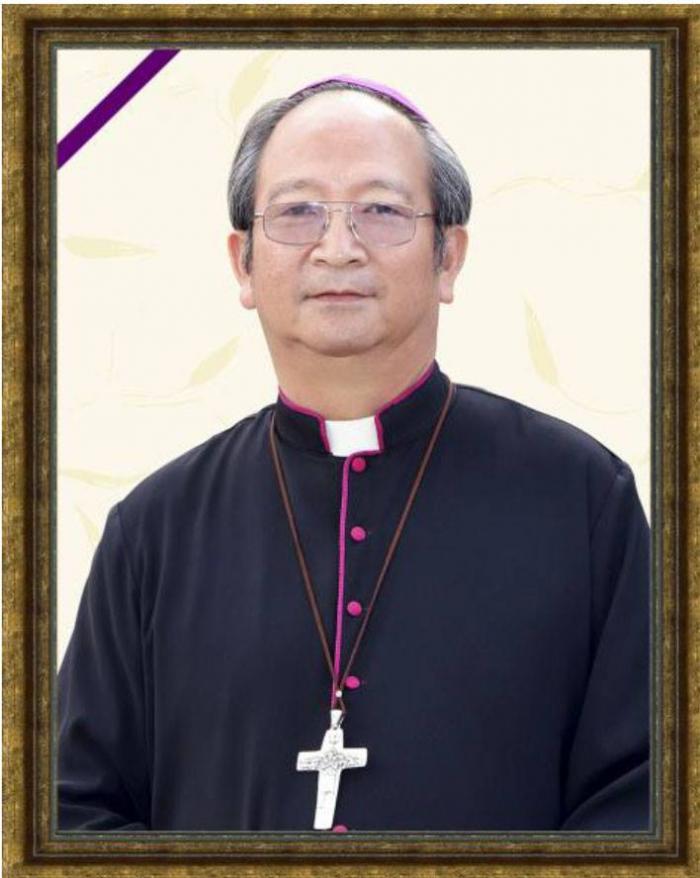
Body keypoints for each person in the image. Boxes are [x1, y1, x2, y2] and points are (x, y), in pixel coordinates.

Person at [57, 75, 650, 833]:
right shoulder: (154, 529)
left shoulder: (580, 496)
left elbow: (644, 795)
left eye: (382, 210)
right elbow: (70, 809)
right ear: (243, 264)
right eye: (298, 212)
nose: (338, 249)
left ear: (448, 258)